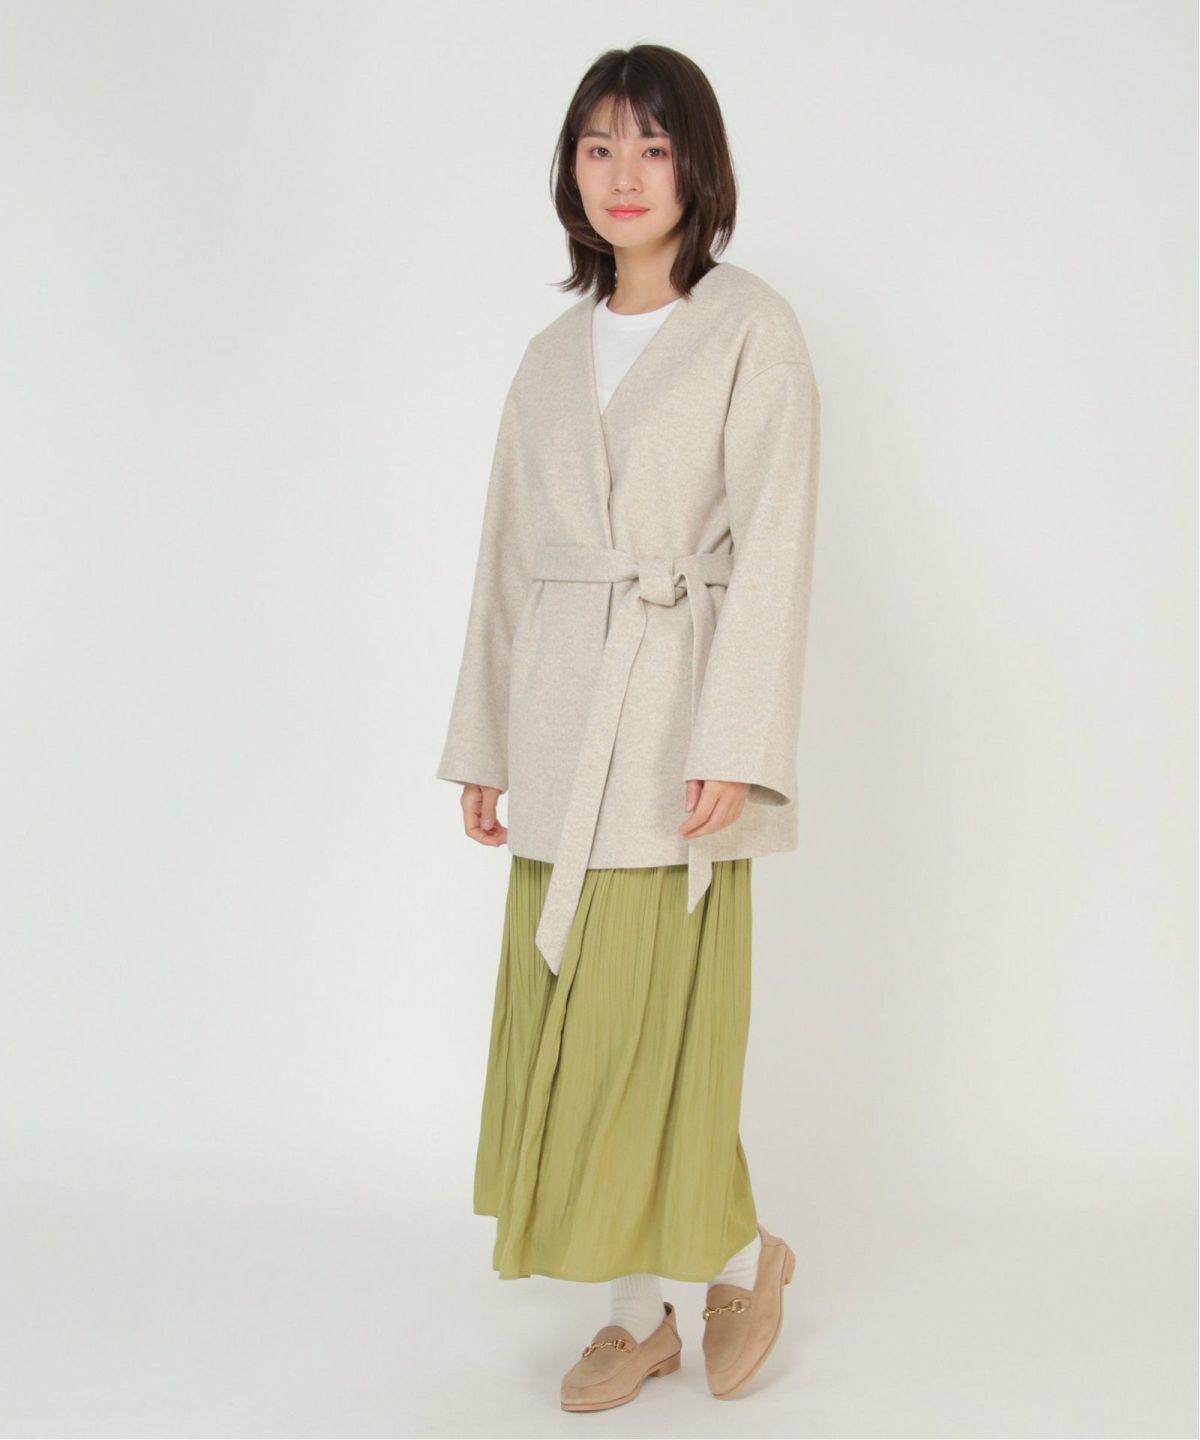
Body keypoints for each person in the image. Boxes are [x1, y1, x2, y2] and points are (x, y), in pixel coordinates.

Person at [435, 42, 820, 1411]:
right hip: (557, 722)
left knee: (651, 1035)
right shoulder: (549, 359)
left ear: (697, 165)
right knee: (572, 1030)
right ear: (571, 172)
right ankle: (638, 1314)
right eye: (599, 146)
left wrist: (736, 741)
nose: (626, 174)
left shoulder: (751, 327)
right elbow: (506, 558)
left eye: (654, 146)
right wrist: (483, 744)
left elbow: (774, 543)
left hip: (675, 728)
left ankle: (741, 1258)